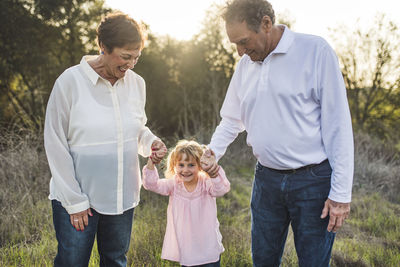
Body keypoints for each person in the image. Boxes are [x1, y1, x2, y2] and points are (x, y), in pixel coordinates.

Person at [201, 0, 354, 266]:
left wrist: (340, 194)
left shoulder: (315, 51)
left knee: (313, 262)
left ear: (266, 24)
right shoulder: (246, 65)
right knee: (263, 260)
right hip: (266, 181)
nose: (239, 51)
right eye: (234, 44)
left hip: (313, 182)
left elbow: (338, 125)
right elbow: (231, 120)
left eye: (244, 41)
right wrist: (213, 151)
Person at [44, 12, 167, 267]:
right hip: (78, 200)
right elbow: (55, 142)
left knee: (115, 261)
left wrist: (150, 142)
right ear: (103, 47)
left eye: (136, 57)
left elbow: (136, 127)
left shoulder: (137, 84)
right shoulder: (69, 82)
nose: (131, 64)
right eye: (125, 57)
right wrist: (75, 201)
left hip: (122, 198)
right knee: (72, 262)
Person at [142, 140, 230, 267]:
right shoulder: (174, 184)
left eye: (191, 165)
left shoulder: (206, 183)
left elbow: (221, 189)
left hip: (208, 247)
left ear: (200, 165)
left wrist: (213, 173)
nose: (185, 170)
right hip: (187, 249)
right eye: (181, 165)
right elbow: (151, 184)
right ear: (174, 165)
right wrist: (152, 162)